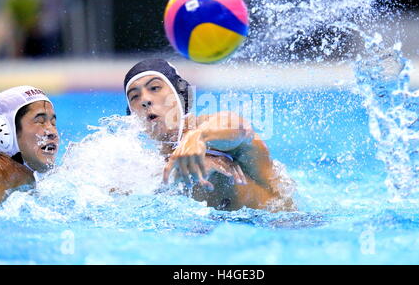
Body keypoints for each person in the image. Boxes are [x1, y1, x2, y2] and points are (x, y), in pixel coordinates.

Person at [124, 59, 295, 211]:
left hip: (283, 228)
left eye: (155, 88)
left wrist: (199, 137)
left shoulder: (211, 132)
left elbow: (241, 128)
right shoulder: (148, 169)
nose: (145, 100)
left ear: (181, 96)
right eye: (135, 97)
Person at [0, 85, 58, 208]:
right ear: (3, 130)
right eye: (39, 121)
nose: (52, 132)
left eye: (53, 123)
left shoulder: (24, 177)